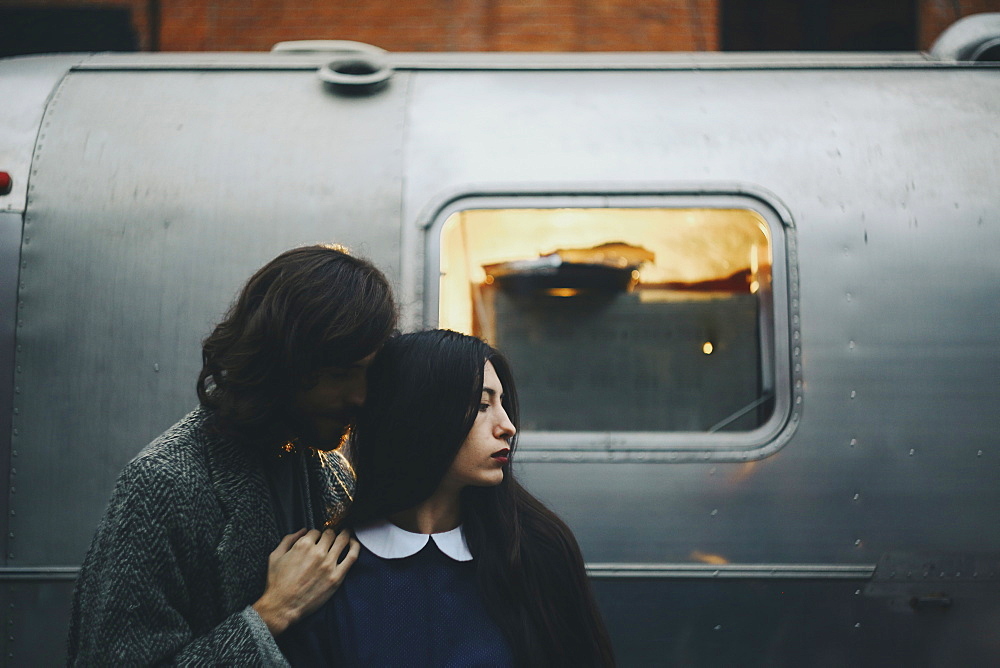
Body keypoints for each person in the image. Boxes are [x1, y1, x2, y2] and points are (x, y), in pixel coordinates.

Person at [67, 245, 397, 666]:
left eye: (369, 373)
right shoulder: (162, 484)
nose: (360, 397)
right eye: (338, 374)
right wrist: (273, 611)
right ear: (280, 363)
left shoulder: (326, 466)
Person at [279, 329, 616, 667]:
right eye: (482, 405)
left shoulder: (536, 550)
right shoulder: (327, 569)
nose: (508, 425)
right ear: (419, 414)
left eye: (503, 404)